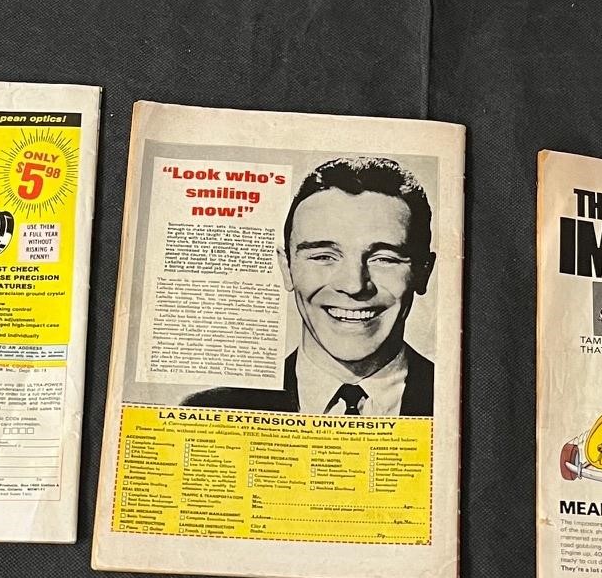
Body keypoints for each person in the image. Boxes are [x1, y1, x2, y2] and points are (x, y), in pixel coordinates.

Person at [183, 156, 436, 416]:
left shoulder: (453, 398)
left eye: (384, 259)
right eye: (323, 256)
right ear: (287, 268)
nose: (353, 285)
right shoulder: (210, 410)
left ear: (423, 272)